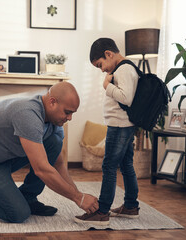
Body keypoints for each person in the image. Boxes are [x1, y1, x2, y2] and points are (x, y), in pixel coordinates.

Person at [0, 81, 99, 223]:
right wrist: (77, 197)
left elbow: (58, 164)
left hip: (2, 156)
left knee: (54, 142)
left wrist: (79, 196)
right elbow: (42, 169)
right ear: (52, 101)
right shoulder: (28, 114)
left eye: (72, 113)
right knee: (18, 213)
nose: (70, 118)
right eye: (67, 112)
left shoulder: (55, 123)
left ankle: (28, 197)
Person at [75, 38, 140, 226]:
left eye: (100, 65)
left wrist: (107, 86)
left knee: (109, 167)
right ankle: (130, 206)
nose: (102, 69)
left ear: (109, 54)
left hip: (119, 126)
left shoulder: (124, 69)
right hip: (123, 125)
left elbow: (126, 98)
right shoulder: (123, 69)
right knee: (126, 165)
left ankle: (102, 211)